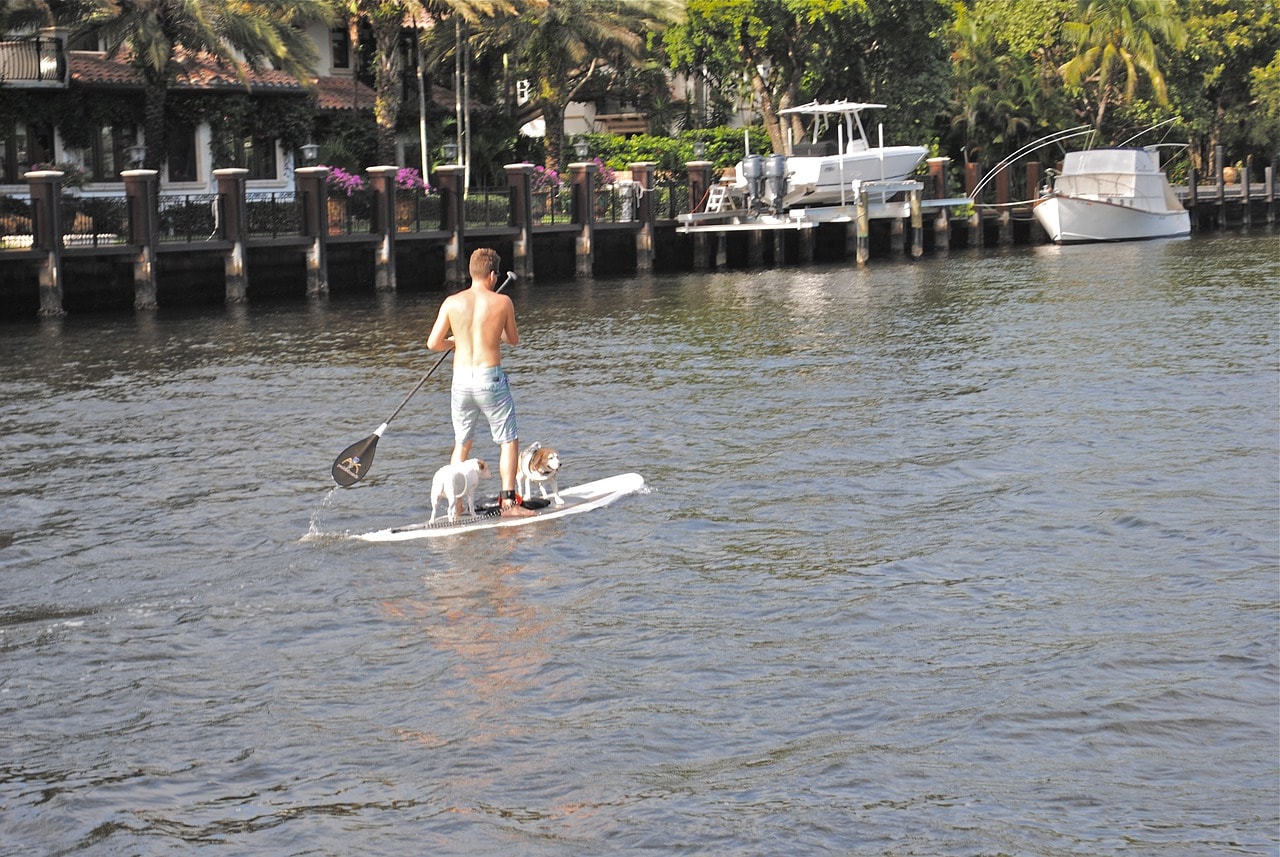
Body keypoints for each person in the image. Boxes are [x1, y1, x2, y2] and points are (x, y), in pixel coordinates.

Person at [426, 248, 534, 517]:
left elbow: (433, 343)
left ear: (471, 272)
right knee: (508, 441)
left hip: (461, 380)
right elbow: (513, 339)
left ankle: (458, 505)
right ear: (493, 275)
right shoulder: (503, 302)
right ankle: (509, 504)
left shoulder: (452, 302)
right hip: (490, 379)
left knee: (462, 442)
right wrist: (493, 333)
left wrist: (455, 341)